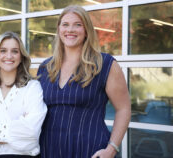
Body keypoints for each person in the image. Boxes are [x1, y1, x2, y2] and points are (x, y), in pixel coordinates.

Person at [37, 5, 131, 158]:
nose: (70, 30)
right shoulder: (46, 67)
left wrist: (112, 148)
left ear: (86, 30)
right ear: (59, 29)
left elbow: (124, 109)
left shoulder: (105, 64)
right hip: (48, 150)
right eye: (65, 24)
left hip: (90, 150)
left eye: (78, 25)